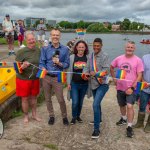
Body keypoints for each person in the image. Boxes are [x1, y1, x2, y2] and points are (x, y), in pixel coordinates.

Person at [110, 41, 144, 138]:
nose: (129, 49)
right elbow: (111, 67)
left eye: (131, 47)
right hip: (120, 87)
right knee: (122, 105)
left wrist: (133, 87)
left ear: (134, 49)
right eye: (128, 47)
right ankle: (123, 118)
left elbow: (140, 75)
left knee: (129, 106)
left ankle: (129, 127)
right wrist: (114, 79)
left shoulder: (138, 60)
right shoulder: (119, 58)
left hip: (131, 88)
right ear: (125, 48)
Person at [39, 28, 70, 125]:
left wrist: (60, 63)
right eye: (53, 35)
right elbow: (41, 62)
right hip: (46, 77)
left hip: (58, 77)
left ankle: (64, 116)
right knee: (47, 98)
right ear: (50, 36)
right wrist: (43, 67)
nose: (55, 37)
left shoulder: (65, 49)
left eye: (57, 35)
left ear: (60, 36)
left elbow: (67, 64)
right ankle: (51, 115)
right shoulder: (45, 49)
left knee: (60, 99)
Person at [83, 38, 109, 139]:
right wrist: (85, 73)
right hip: (93, 84)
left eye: (98, 46)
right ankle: (99, 119)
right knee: (97, 104)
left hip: (102, 84)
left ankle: (96, 129)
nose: (96, 47)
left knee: (95, 104)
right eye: (94, 45)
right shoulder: (90, 56)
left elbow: (106, 70)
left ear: (101, 45)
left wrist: (96, 73)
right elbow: (86, 67)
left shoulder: (105, 56)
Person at [15, 31, 41, 123]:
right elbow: (16, 68)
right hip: (23, 79)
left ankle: (34, 114)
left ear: (35, 39)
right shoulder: (21, 52)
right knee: (25, 98)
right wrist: (22, 67)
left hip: (35, 79)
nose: (31, 41)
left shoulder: (38, 50)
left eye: (33, 39)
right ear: (26, 40)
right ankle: (26, 116)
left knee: (34, 97)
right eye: (29, 39)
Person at [67, 40, 89, 125]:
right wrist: (68, 83)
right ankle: (73, 117)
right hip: (74, 84)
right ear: (76, 47)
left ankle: (78, 116)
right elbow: (69, 71)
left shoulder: (88, 58)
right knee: (75, 102)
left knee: (80, 102)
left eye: (82, 47)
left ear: (85, 48)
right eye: (79, 47)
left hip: (84, 84)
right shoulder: (72, 57)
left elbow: (90, 70)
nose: (81, 48)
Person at [134, 53, 150, 133]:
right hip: (144, 87)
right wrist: (143, 81)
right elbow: (141, 71)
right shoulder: (144, 57)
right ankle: (140, 123)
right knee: (142, 106)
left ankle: (149, 125)